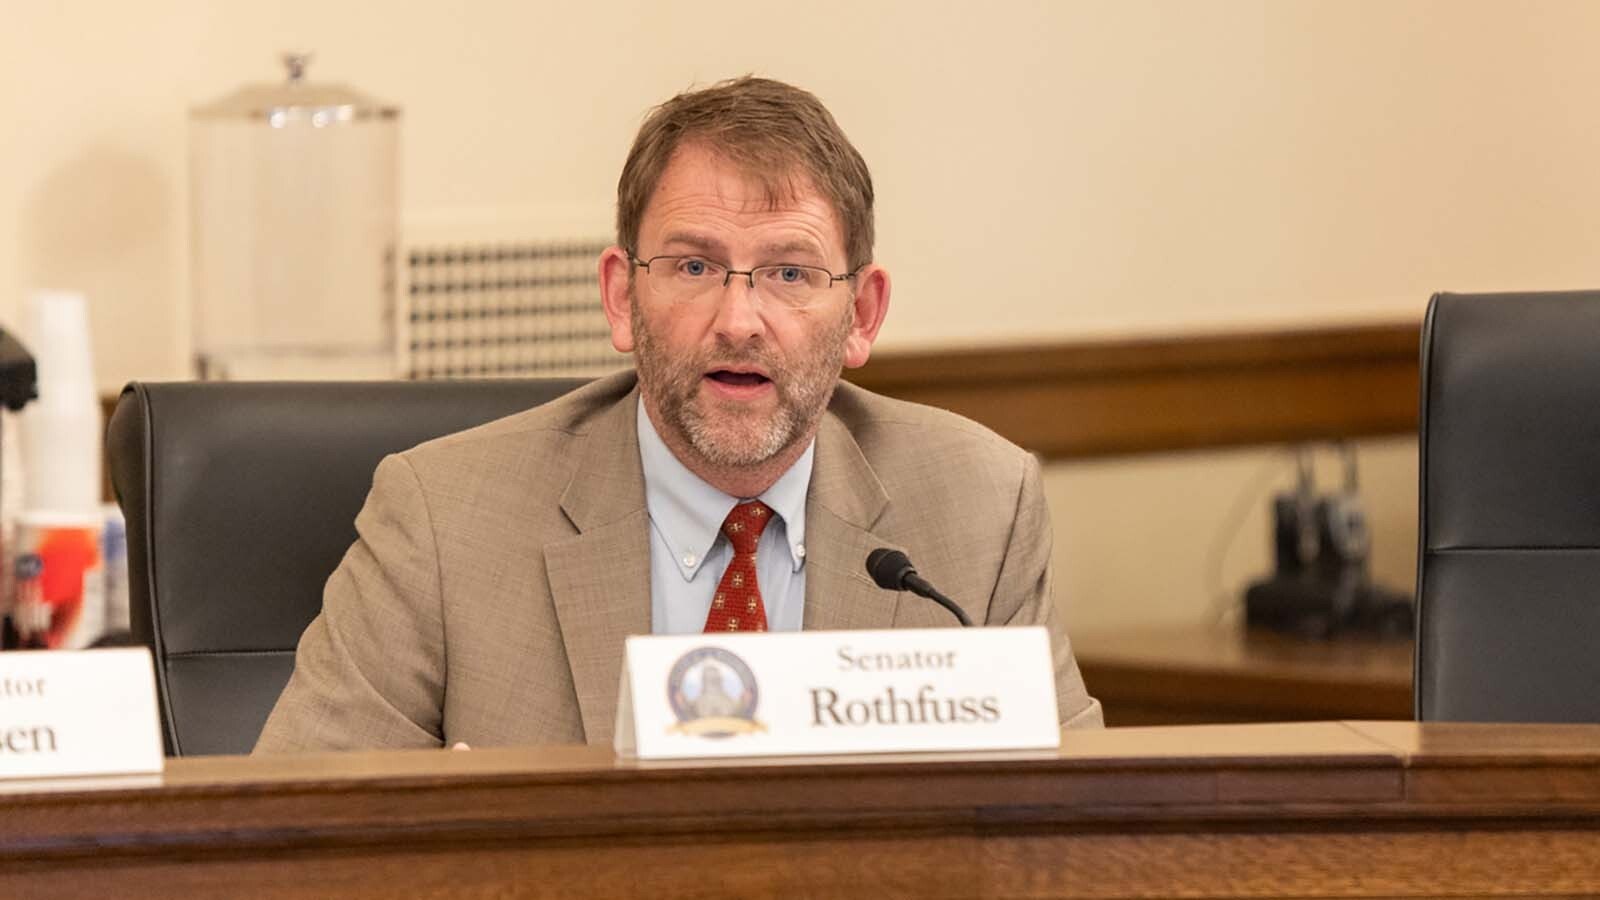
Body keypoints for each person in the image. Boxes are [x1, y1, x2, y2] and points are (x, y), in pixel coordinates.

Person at [255, 76, 1101, 752]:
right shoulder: (442, 522)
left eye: (791, 273)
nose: (738, 320)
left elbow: (1075, 839)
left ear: (863, 316)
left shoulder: (980, 507)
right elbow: (296, 847)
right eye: (695, 266)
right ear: (623, 298)